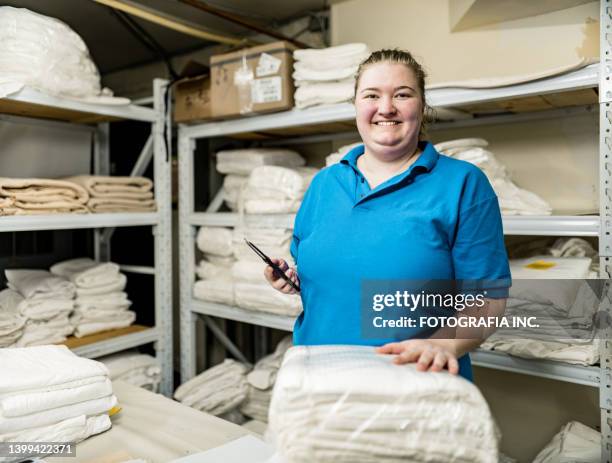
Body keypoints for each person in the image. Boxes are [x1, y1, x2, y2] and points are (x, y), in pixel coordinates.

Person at [264, 49, 510, 380]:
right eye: (371, 95)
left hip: (416, 385)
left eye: (402, 94)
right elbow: (324, 276)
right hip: (321, 380)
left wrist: (445, 345)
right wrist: (294, 278)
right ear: (356, 105)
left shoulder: (463, 183)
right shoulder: (325, 184)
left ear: (422, 107)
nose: (385, 108)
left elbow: (489, 299)